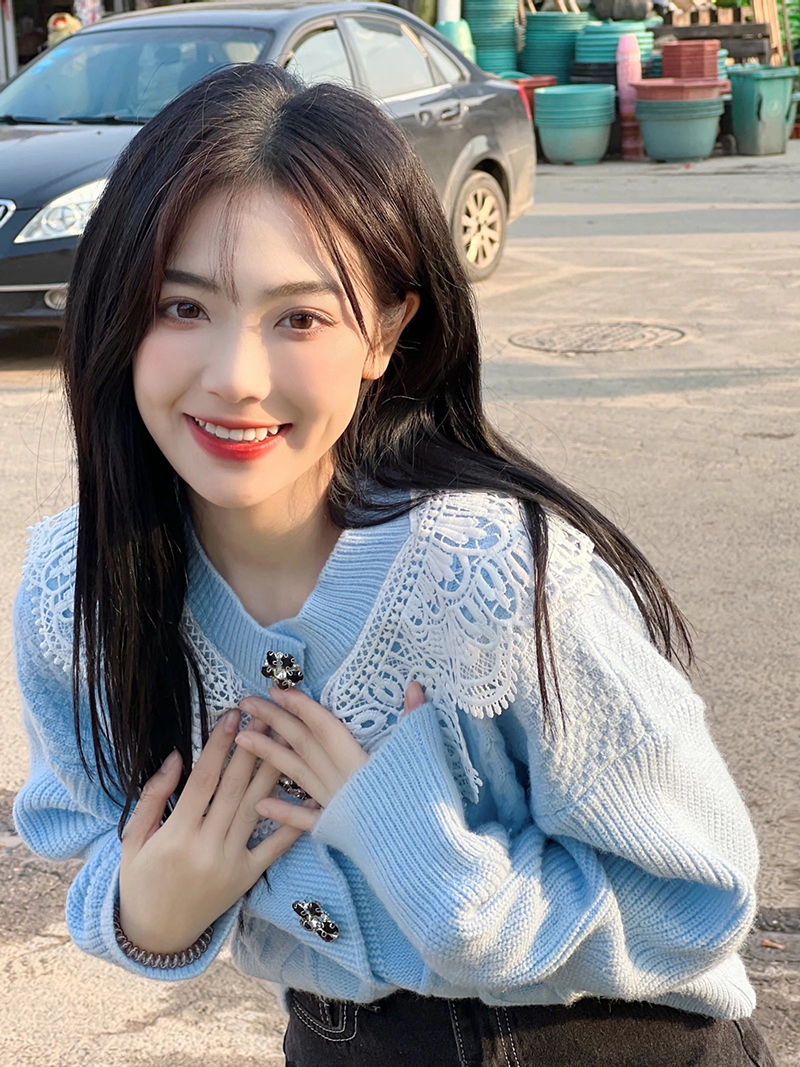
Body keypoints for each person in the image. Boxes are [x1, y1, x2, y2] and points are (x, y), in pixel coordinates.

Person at [12, 63, 775, 1067]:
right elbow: (85, 824)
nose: (235, 377)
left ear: (385, 331)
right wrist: (144, 911)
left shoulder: (490, 576)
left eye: (299, 317)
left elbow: (699, 896)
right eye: (182, 307)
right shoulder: (76, 589)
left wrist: (432, 866)